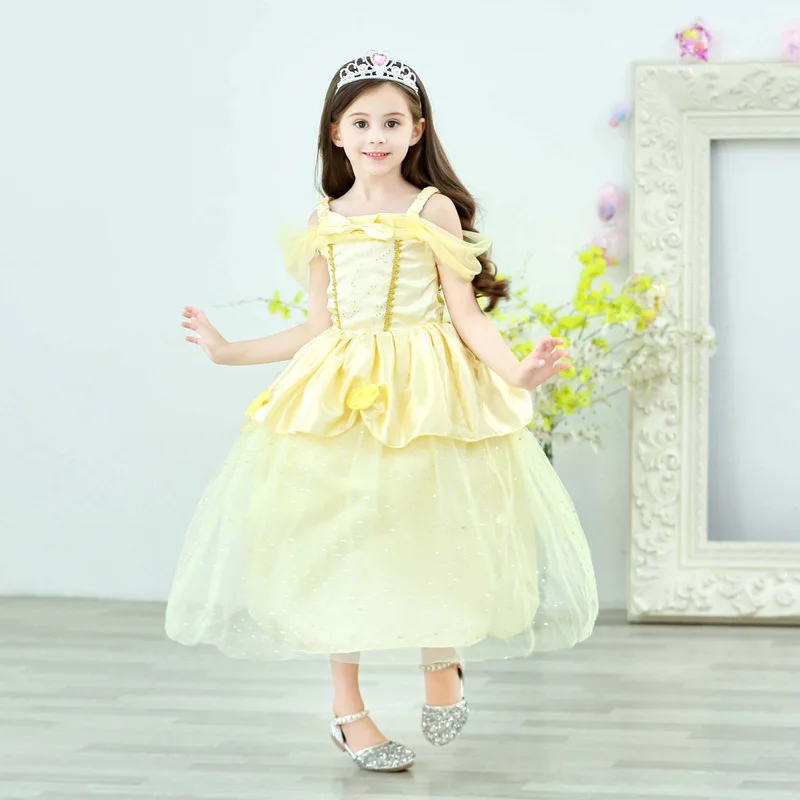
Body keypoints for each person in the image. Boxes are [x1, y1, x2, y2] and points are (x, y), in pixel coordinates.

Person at [165, 49, 598, 773]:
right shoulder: (323, 220)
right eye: (361, 122)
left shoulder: (433, 210)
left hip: (428, 389)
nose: (377, 135)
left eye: (393, 122)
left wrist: (517, 372)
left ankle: (441, 659)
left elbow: (466, 314)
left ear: (416, 131)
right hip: (342, 392)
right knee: (342, 540)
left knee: (434, 521)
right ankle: (349, 710)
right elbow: (317, 325)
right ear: (336, 132)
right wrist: (228, 351)